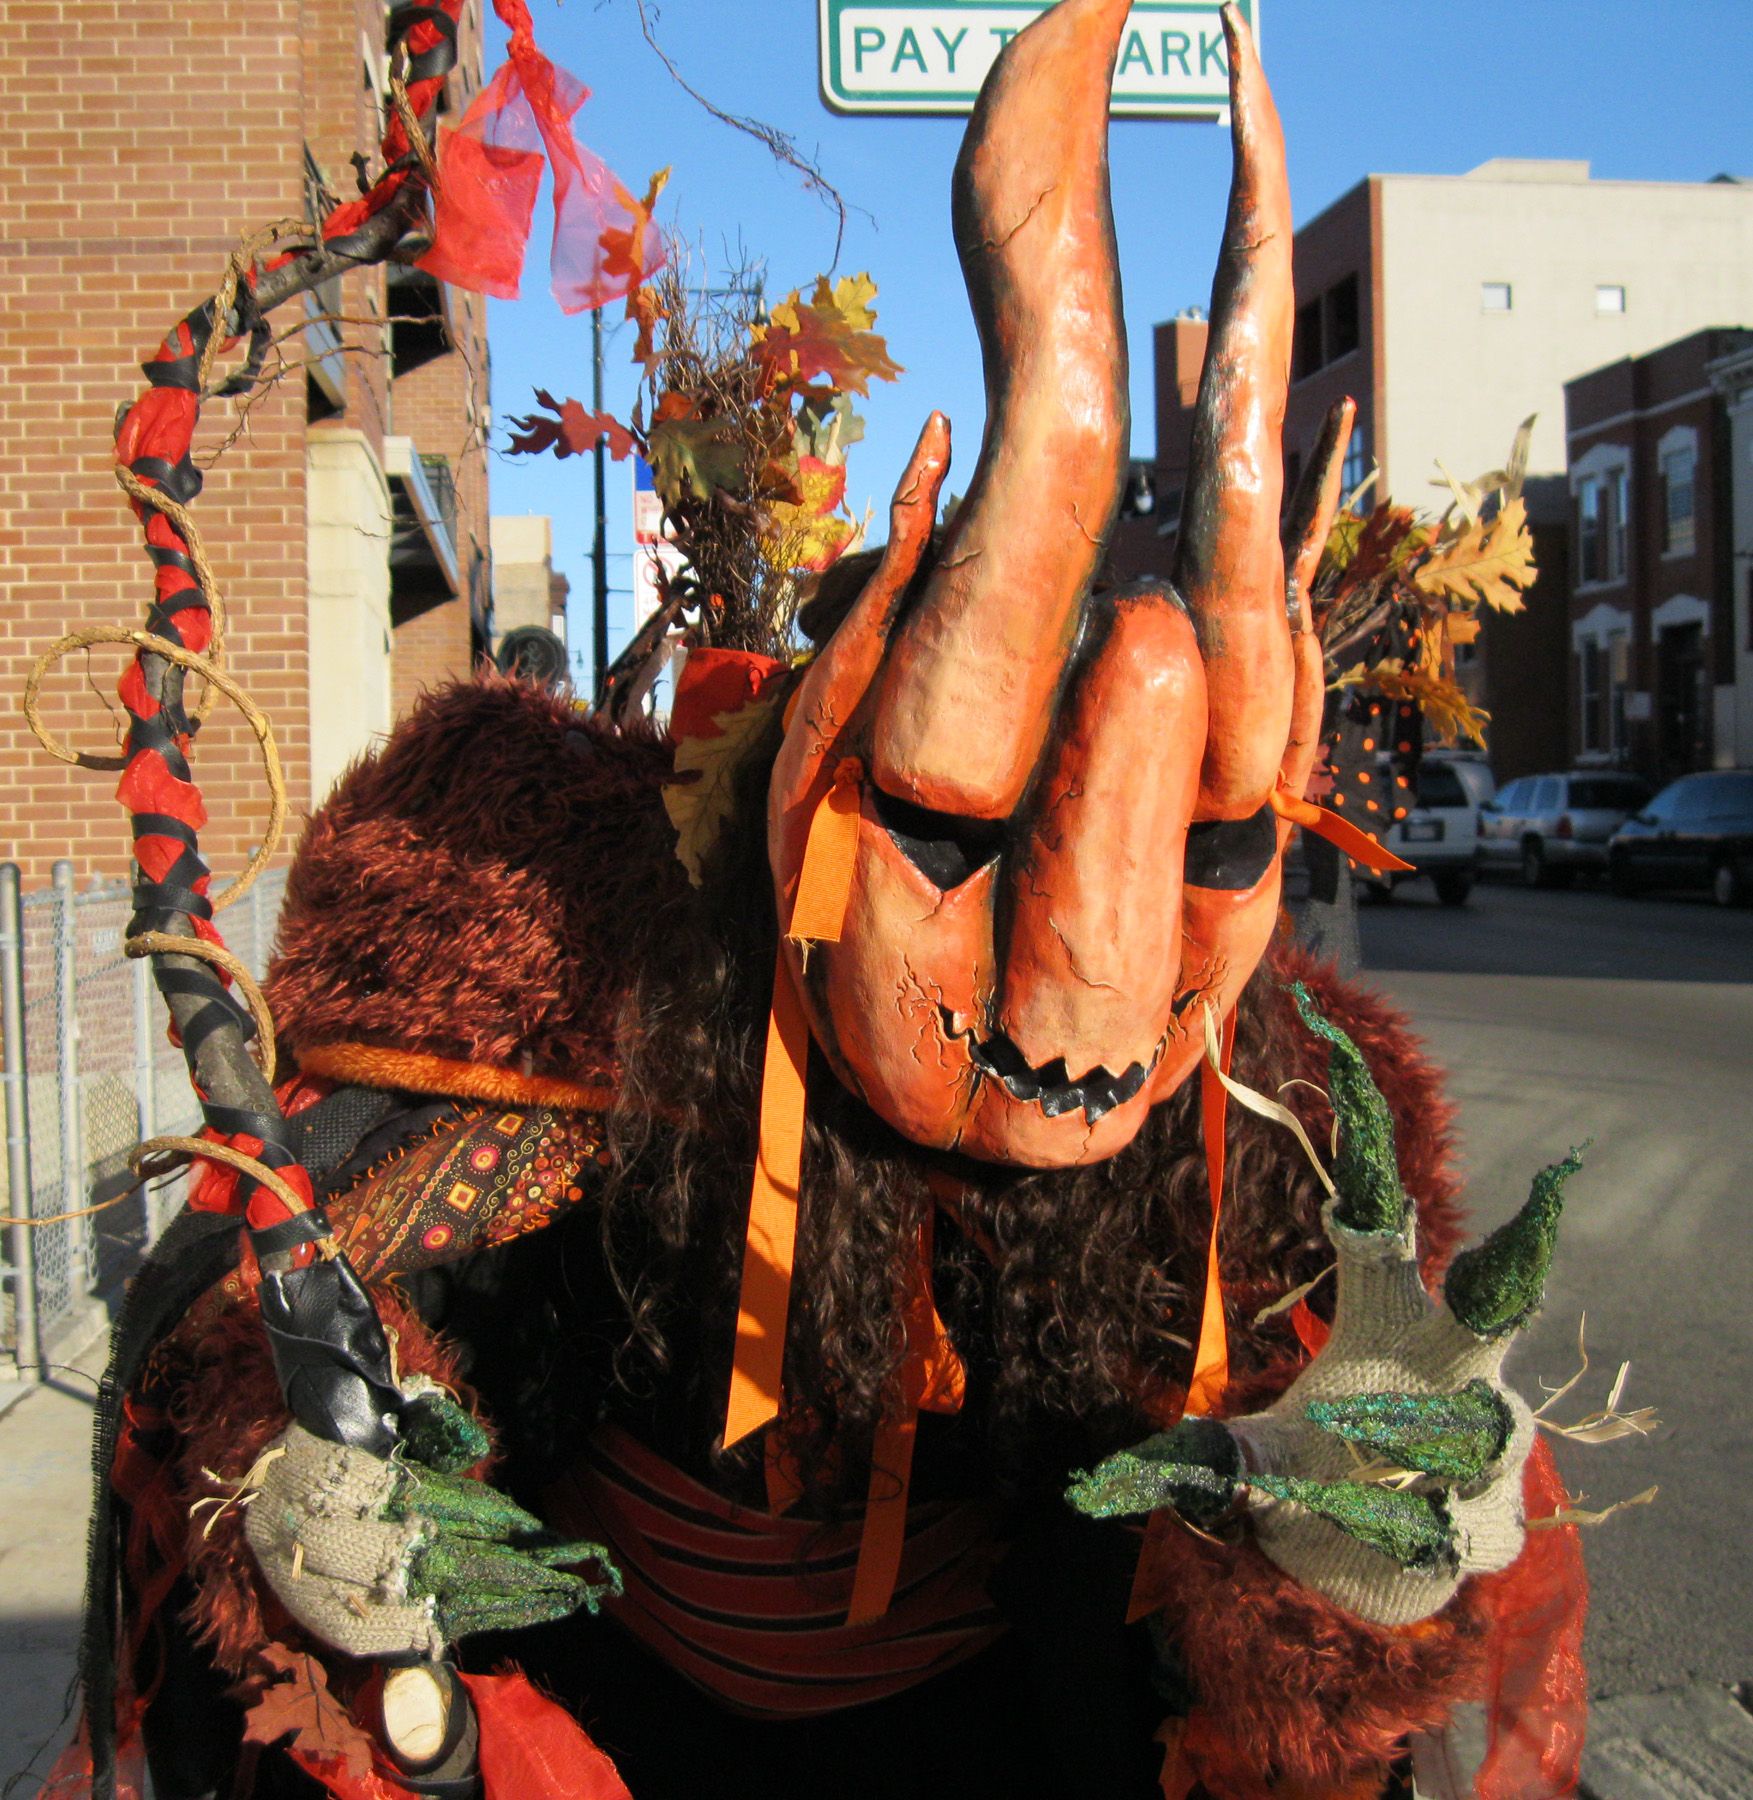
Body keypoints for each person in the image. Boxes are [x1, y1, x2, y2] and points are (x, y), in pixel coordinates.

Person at [64, 5, 1587, 1797]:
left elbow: (1276, 1529)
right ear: (804, 802)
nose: (1090, 967)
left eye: (1212, 851)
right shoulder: (588, 1007)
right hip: (618, 1710)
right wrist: (314, 1462)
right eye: (944, 833)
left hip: (999, 1726)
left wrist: (1338, 1551)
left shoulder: (1259, 1122)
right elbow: (289, 1291)